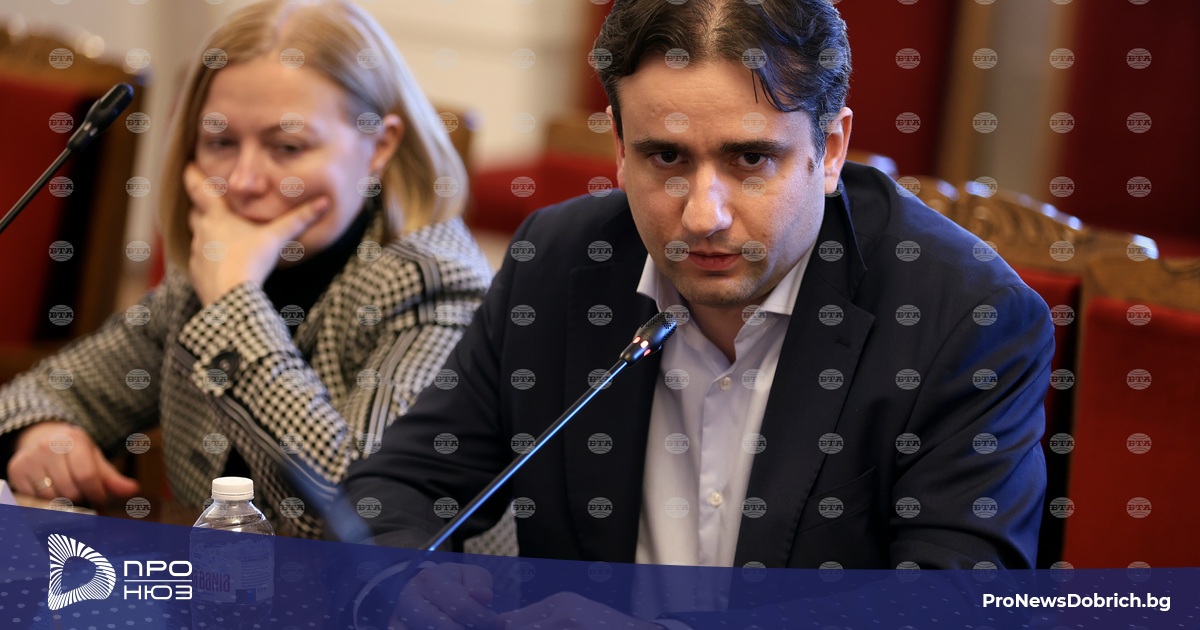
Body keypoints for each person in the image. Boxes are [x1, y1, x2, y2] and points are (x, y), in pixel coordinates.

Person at [346, 0, 1050, 576]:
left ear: (830, 150)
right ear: (619, 150)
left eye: (750, 159)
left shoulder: (964, 319)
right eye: (666, 156)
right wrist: (419, 589)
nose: (702, 215)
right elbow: (397, 489)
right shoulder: (558, 262)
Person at [0, 0, 494, 539]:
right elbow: (46, 391)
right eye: (221, 142)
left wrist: (235, 300)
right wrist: (42, 433)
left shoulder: (438, 288)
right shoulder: (209, 271)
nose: (243, 181)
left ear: (380, 145)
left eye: (287, 146)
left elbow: (363, 519)